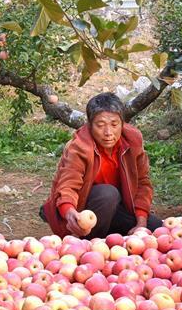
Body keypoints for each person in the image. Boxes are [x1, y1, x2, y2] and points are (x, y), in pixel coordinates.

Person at [41, 92, 162, 238]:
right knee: (108, 194)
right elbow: (68, 185)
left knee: (155, 227)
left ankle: (109, 235)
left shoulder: (133, 140)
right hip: (85, 208)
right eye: (100, 125)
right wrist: (69, 212)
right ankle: (89, 243)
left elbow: (142, 182)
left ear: (122, 124)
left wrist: (141, 222)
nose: (108, 133)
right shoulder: (79, 146)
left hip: (116, 208)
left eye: (114, 124)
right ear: (90, 125)